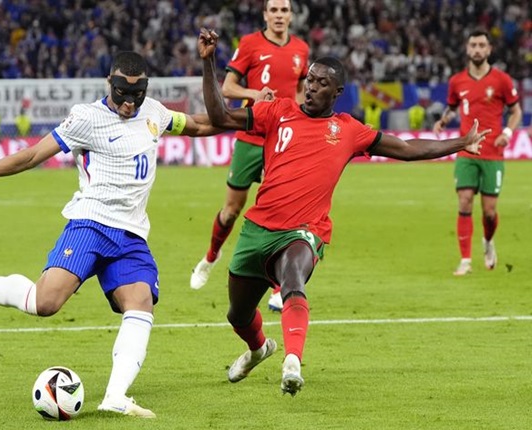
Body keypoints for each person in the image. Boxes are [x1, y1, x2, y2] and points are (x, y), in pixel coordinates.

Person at [0, 51, 222, 419]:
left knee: (140, 302)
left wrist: (254, 119)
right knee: (44, 303)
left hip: (131, 236)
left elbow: (204, 125)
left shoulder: (155, 113)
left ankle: (115, 396)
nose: (129, 103)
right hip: (89, 224)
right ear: (109, 84)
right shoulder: (86, 118)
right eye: (123, 94)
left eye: (136, 95)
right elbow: (31, 156)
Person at [197, 28, 489, 395]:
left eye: (321, 83)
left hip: (305, 229)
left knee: (292, 280)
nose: (311, 87)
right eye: (310, 79)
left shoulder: (349, 130)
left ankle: (293, 361)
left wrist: (460, 142)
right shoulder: (278, 111)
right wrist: (208, 62)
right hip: (259, 227)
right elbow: (220, 116)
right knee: (237, 315)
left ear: (337, 93)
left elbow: (407, 147)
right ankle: (259, 348)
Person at [190, 0, 310, 315]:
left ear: (291, 16)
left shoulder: (301, 49)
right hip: (250, 134)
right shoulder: (250, 44)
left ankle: (278, 286)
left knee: (281, 212)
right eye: (275, 10)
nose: (280, 15)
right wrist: (253, 95)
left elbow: (299, 92)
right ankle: (210, 257)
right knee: (231, 210)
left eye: (285, 10)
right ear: (266, 15)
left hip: (282, 138)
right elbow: (228, 88)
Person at [433, 30, 522, 276]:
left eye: (482, 45)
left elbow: (516, 112)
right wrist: (443, 120)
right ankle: (465, 260)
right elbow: (452, 107)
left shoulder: (502, 80)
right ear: (467, 48)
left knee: (490, 211)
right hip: (466, 151)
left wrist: (507, 132)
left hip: (494, 152)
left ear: (489, 49)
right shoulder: (457, 81)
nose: (477, 50)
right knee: (464, 201)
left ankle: (488, 241)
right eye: (473, 45)